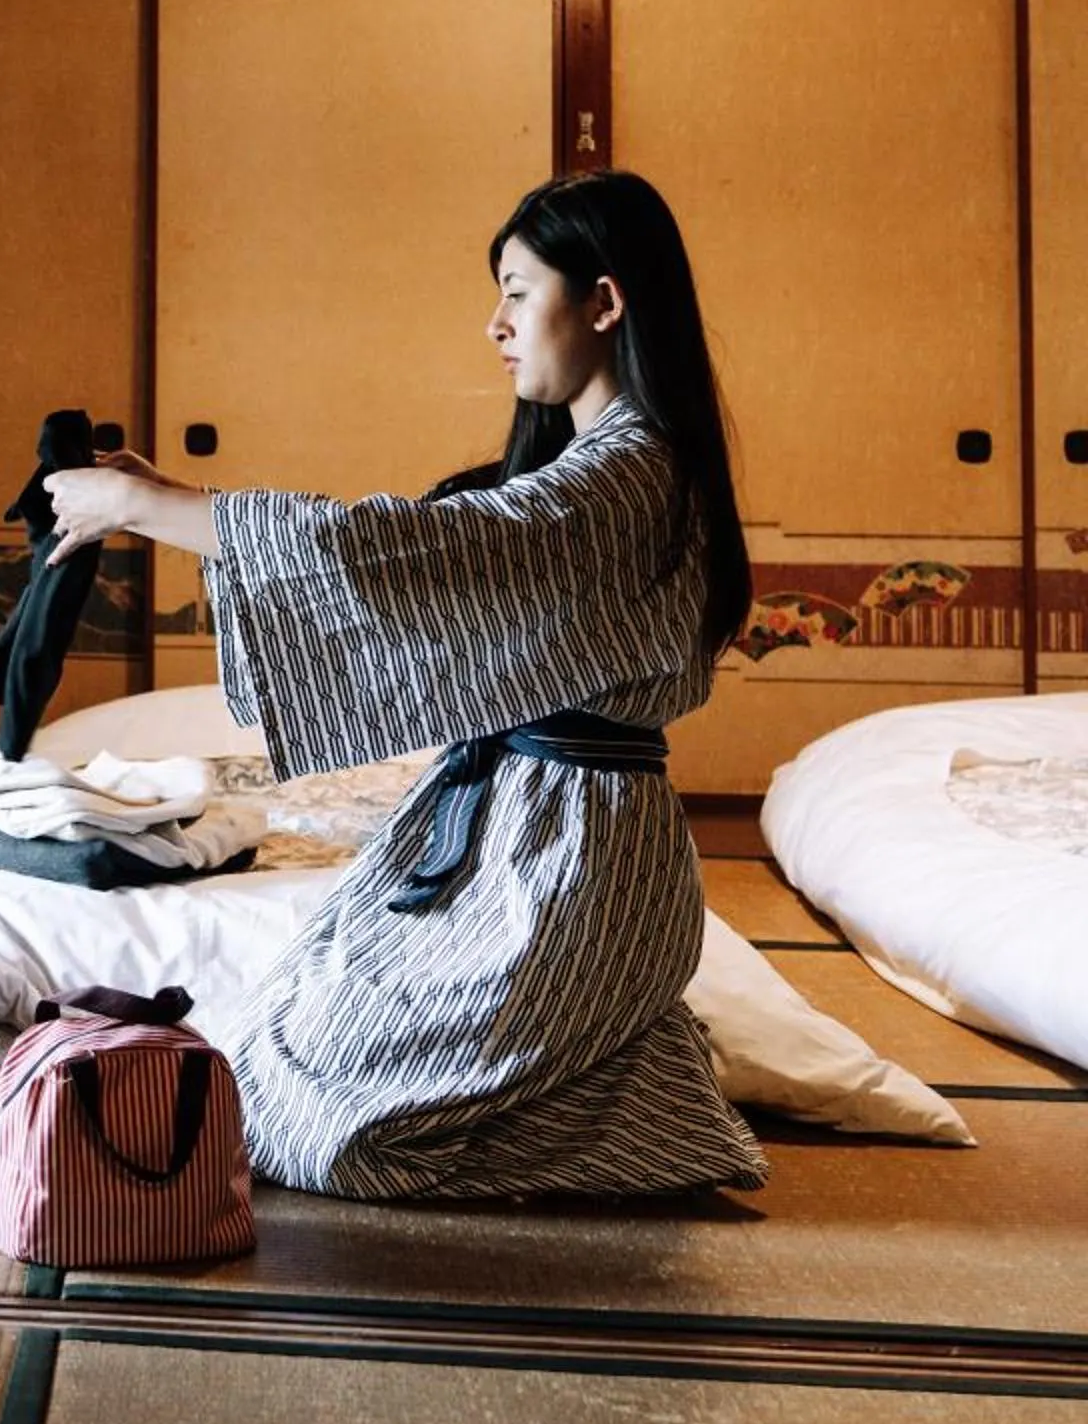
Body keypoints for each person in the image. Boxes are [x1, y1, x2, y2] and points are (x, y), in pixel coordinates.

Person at [42, 170, 767, 1202]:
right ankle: (627, 1098)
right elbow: (423, 568)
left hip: (570, 865)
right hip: (521, 833)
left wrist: (145, 507)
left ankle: (642, 1132)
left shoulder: (631, 471)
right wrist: (158, 497)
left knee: (326, 1125)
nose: (496, 325)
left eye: (518, 292)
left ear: (604, 304)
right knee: (278, 1039)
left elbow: (397, 554)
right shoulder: (597, 463)